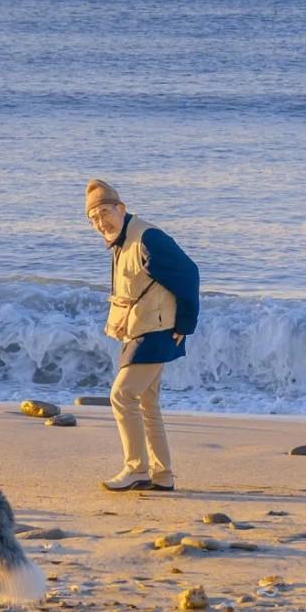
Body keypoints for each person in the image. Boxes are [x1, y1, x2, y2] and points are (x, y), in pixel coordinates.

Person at [85, 179, 199, 491]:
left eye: (105, 212)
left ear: (121, 208)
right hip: (140, 329)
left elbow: (189, 274)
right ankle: (162, 476)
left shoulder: (148, 238)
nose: (100, 222)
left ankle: (136, 469)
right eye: (93, 218)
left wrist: (185, 326)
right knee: (147, 403)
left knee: (121, 396)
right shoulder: (121, 239)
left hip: (157, 331)